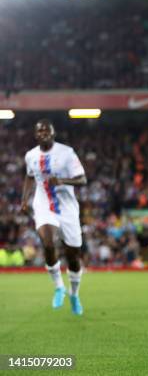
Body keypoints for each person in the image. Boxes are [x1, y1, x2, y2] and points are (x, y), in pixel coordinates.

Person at [20, 120, 87, 315]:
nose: (43, 133)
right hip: (43, 205)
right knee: (48, 243)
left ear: (53, 133)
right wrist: (25, 199)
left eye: (47, 130)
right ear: (36, 134)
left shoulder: (67, 153)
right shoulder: (31, 156)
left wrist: (63, 181)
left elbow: (83, 179)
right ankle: (59, 287)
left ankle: (74, 294)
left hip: (67, 208)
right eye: (40, 130)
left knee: (73, 256)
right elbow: (30, 176)